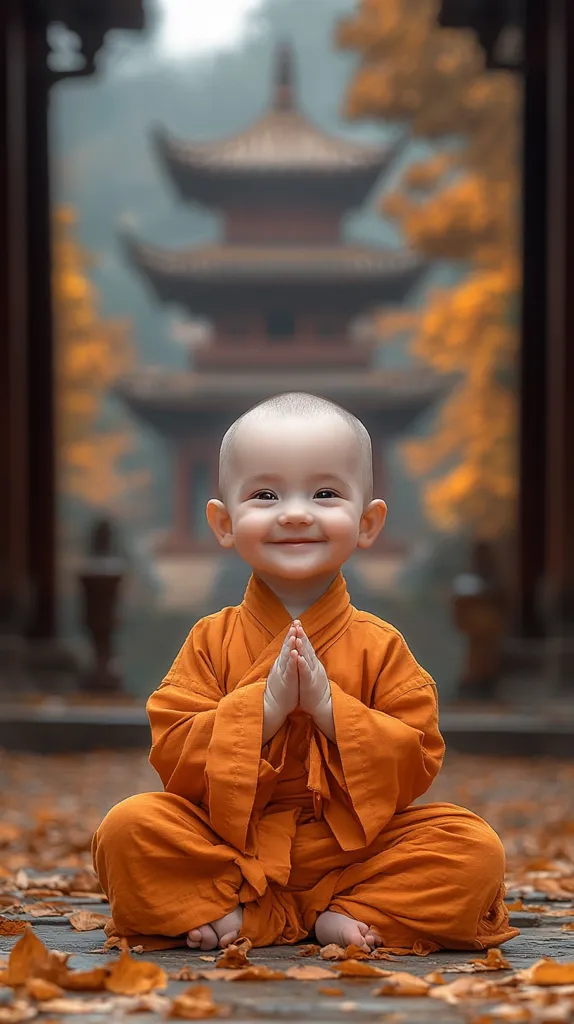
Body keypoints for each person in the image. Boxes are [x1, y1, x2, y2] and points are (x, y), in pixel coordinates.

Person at [92, 393, 517, 954]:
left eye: (325, 494)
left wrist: (331, 710)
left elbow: (416, 762)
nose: (295, 513)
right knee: (128, 828)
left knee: (472, 846)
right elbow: (173, 754)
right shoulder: (210, 639)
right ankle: (312, 913)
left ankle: (291, 912)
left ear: (368, 523)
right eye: (265, 495)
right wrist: (261, 713)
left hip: (350, 851)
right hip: (230, 844)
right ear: (224, 522)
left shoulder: (381, 645)